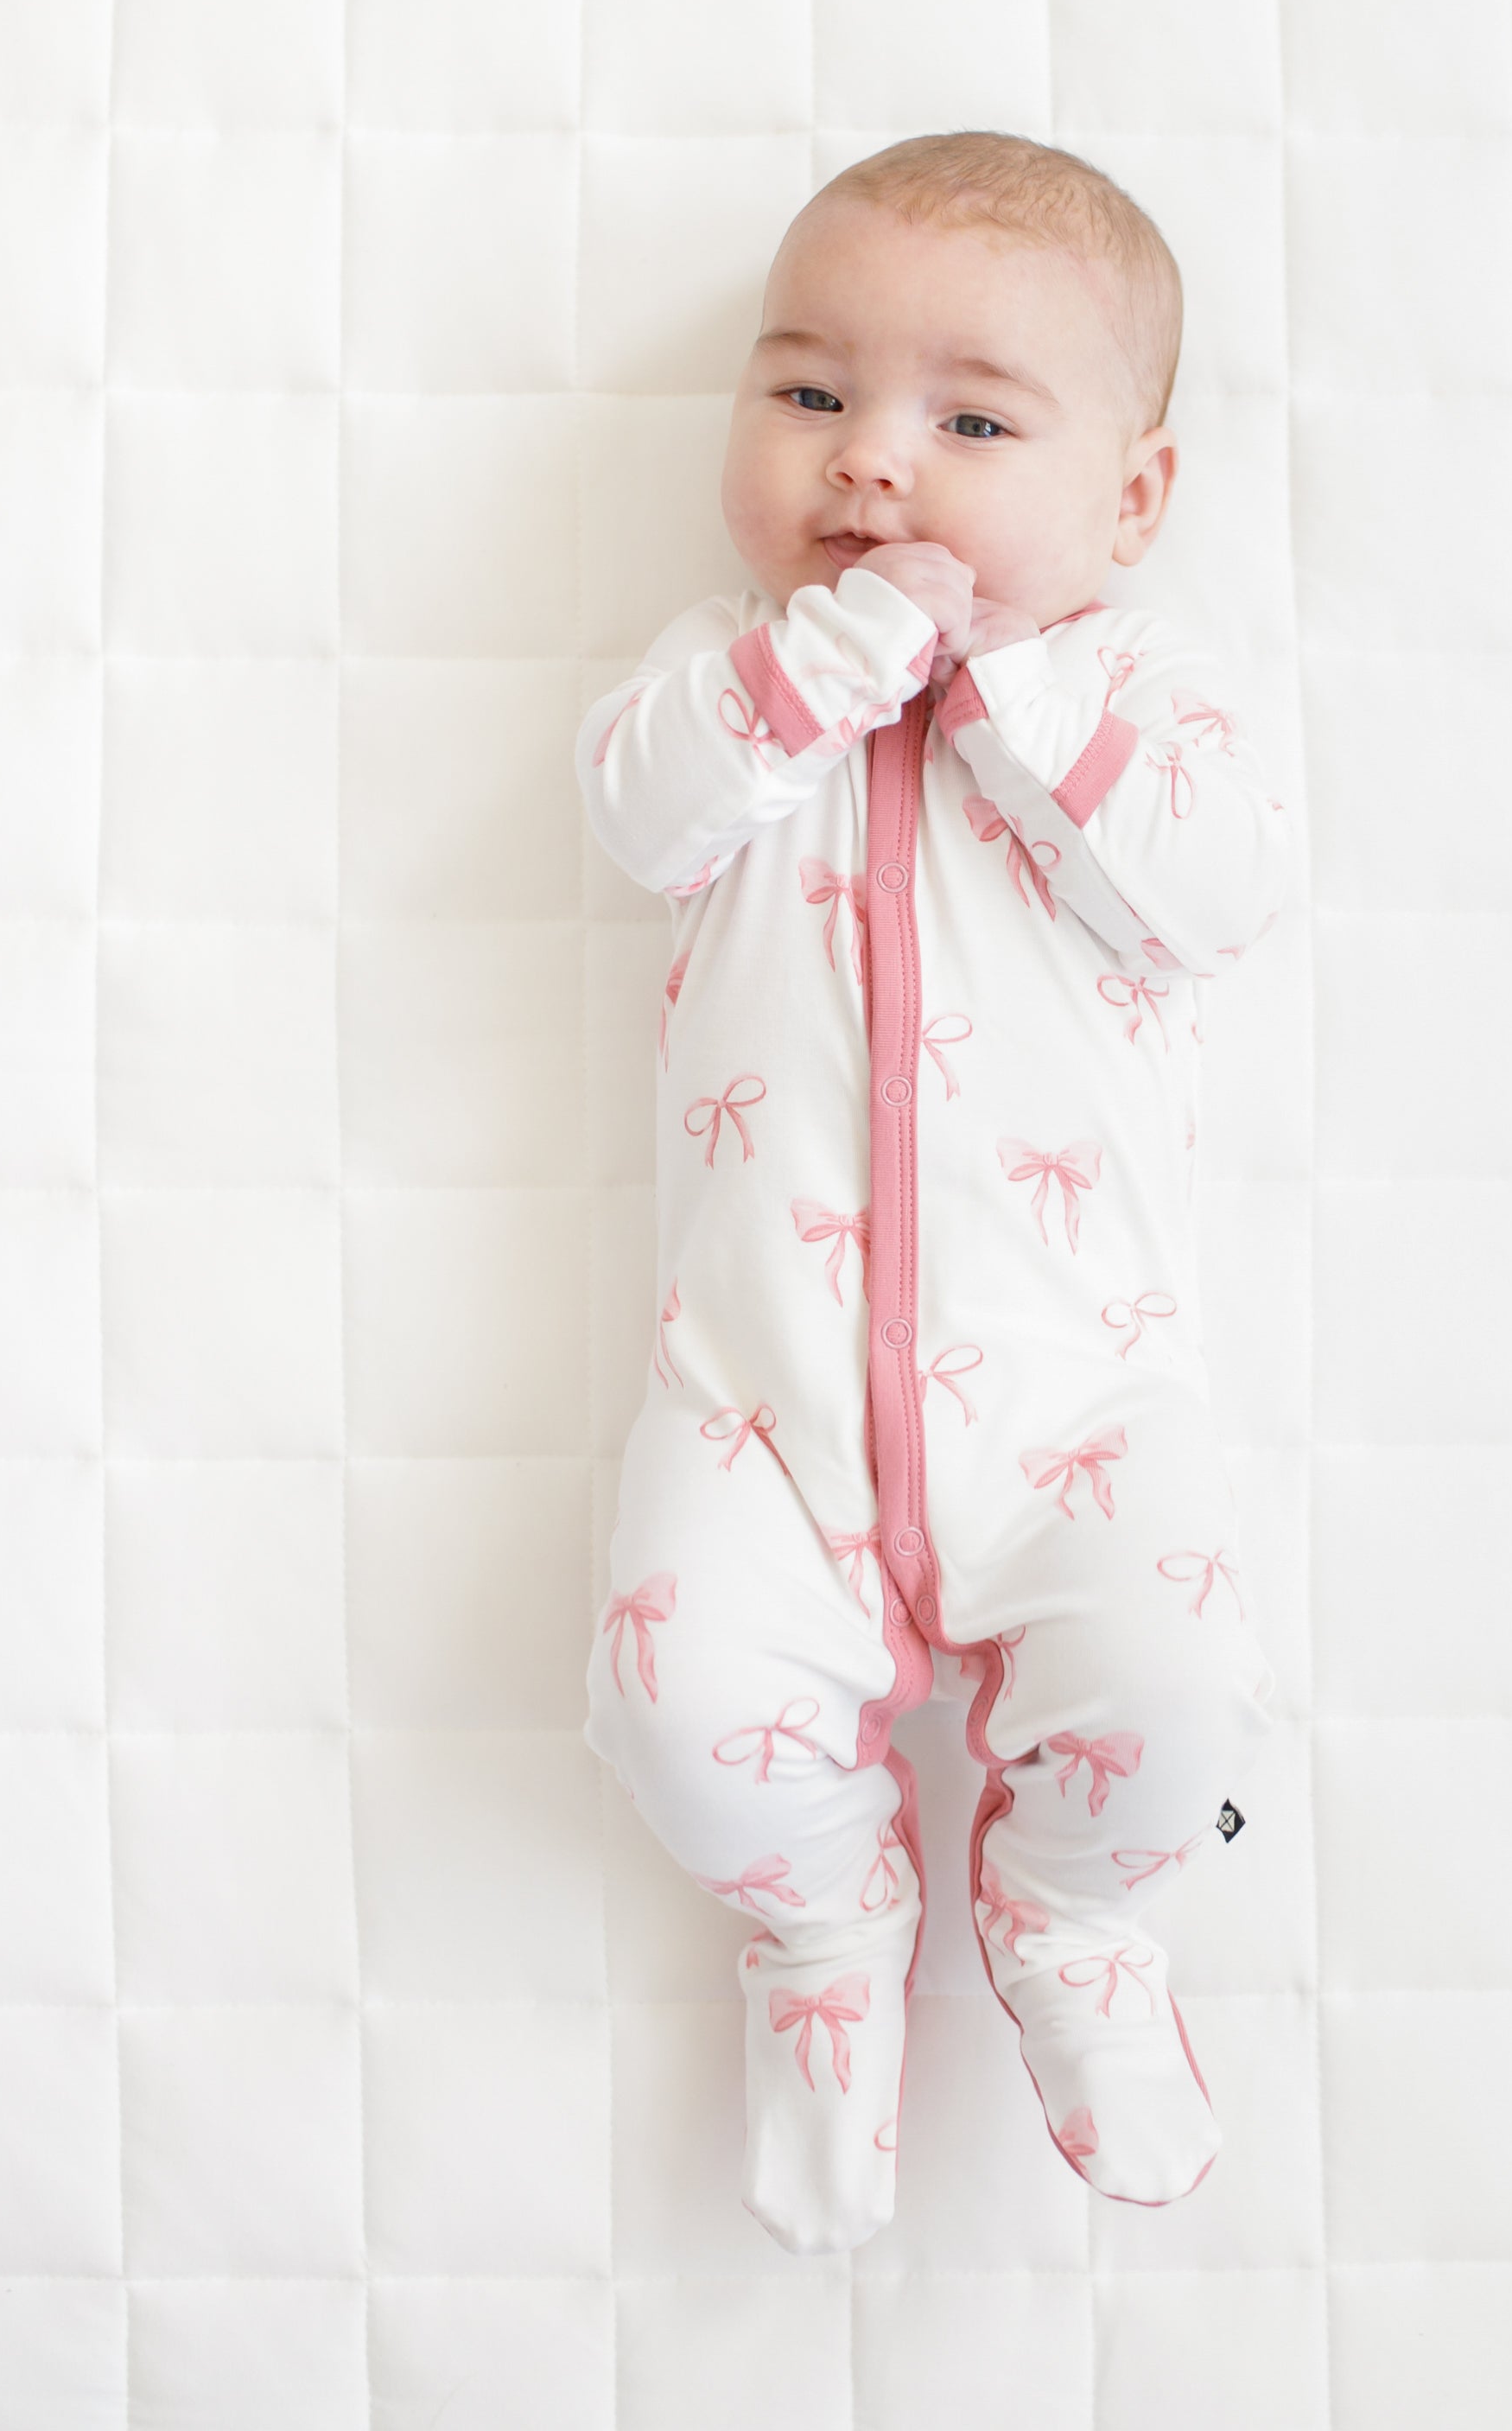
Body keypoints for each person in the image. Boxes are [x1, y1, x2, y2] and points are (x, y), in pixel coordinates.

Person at [578, 128, 1290, 2253]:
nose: (873, 462)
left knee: (1184, 1697)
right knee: (670, 1706)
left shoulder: (1139, 689)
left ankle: (1074, 1915)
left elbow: (1217, 889)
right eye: (811, 393)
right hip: (760, 1401)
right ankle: (823, 1923)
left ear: (1130, 503)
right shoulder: (730, 678)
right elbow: (635, 814)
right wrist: (817, 673)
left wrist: (1014, 692)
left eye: (972, 424)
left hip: (1080, 1403)